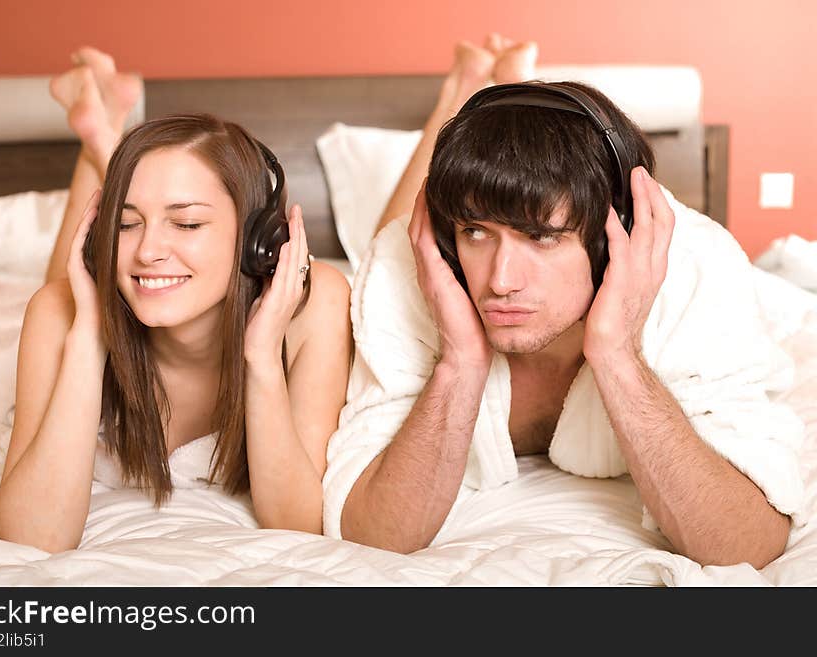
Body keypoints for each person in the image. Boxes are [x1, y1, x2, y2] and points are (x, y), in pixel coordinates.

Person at [322, 35, 805, 568]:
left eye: (542, 236)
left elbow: (746, 545)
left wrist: (617, 353)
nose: (501, 281)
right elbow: (373, 534)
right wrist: (459, 361)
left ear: (612, 234)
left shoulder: (697, 269)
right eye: (476, 233)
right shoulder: (409, 268)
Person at [0, 48, 353, 552]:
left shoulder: (317, 305)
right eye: (125, 223)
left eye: (186, 223)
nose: (147, 251)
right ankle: (99, 139)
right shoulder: (56, 314)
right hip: (76, 309)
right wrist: (88, 338)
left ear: (258, 239)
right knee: (60, 292)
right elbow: (34, 537)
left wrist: (262, 357)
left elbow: (295, 525)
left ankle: (102, 132)